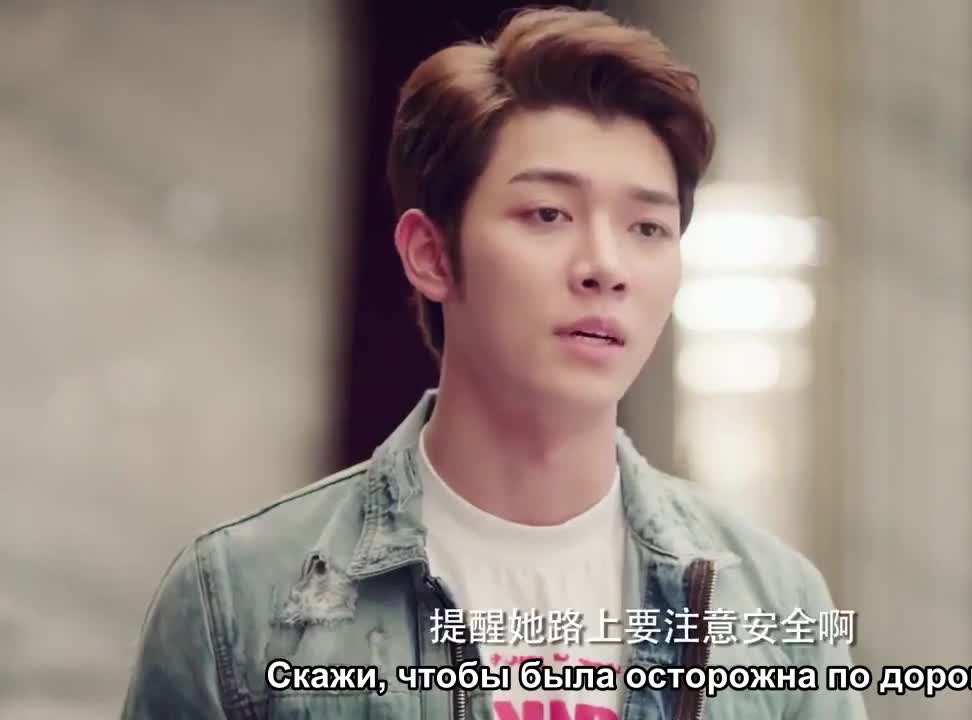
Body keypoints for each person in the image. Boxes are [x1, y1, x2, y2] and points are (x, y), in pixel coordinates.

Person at [121, 7, 868, 719]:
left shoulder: (771, 602)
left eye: (646, 227)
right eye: (548, 214)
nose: (605, 267)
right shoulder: (241, 599)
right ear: (431, 254)